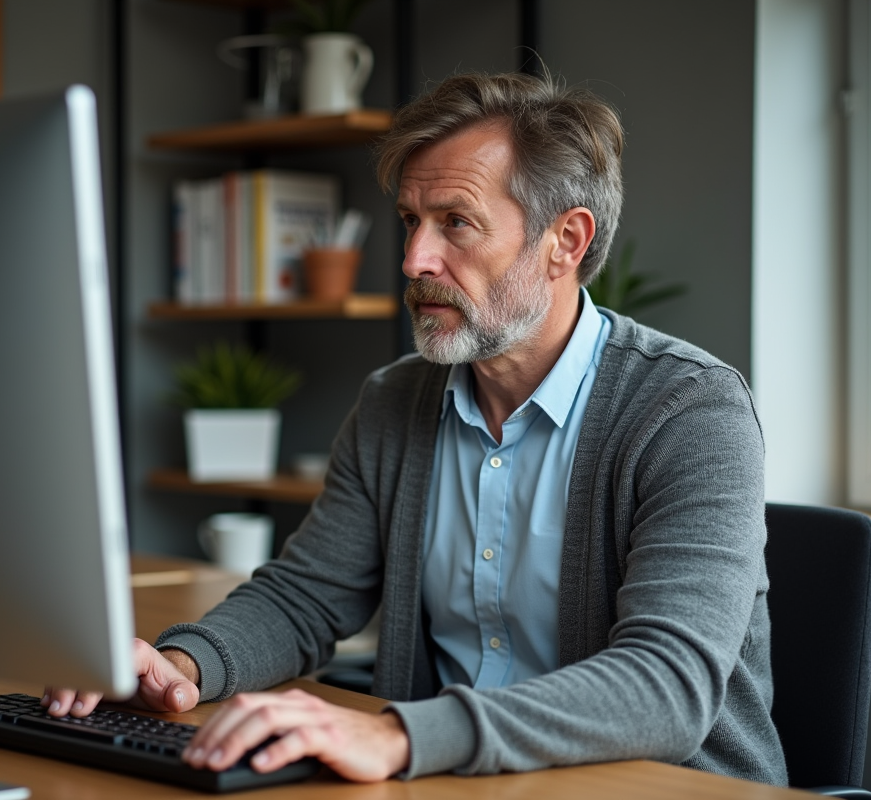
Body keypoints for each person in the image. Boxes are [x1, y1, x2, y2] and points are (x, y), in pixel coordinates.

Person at [46, 71, 788, 786]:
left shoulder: (690, 412)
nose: (413, 260)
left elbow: (665, 686)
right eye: (410, 221)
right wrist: (184, 666)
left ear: (566, 241)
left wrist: (400, 734)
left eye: (455, 223)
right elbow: (305, 598)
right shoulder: (393, 402)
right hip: (451, 781)